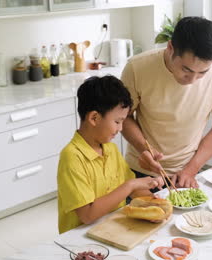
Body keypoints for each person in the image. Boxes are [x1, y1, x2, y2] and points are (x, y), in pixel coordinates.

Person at [121, 16, 212, 188]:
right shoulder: (137, 68)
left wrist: (191, 169)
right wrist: (143, 149)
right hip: (139, 170)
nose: (193, 79)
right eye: (186, 70)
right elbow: (123, 116)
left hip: (185, 175)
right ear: (170, 47)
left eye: (202, 72)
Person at [57, 75, 164, 234]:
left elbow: (134, 189)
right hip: (82, 237)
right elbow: (87, 215)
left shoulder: (110, 149)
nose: (121, 129)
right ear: (94, 118)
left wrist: (152, 202)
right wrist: (131, 186)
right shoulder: (72, 157)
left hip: (113, 228)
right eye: (117, 122)